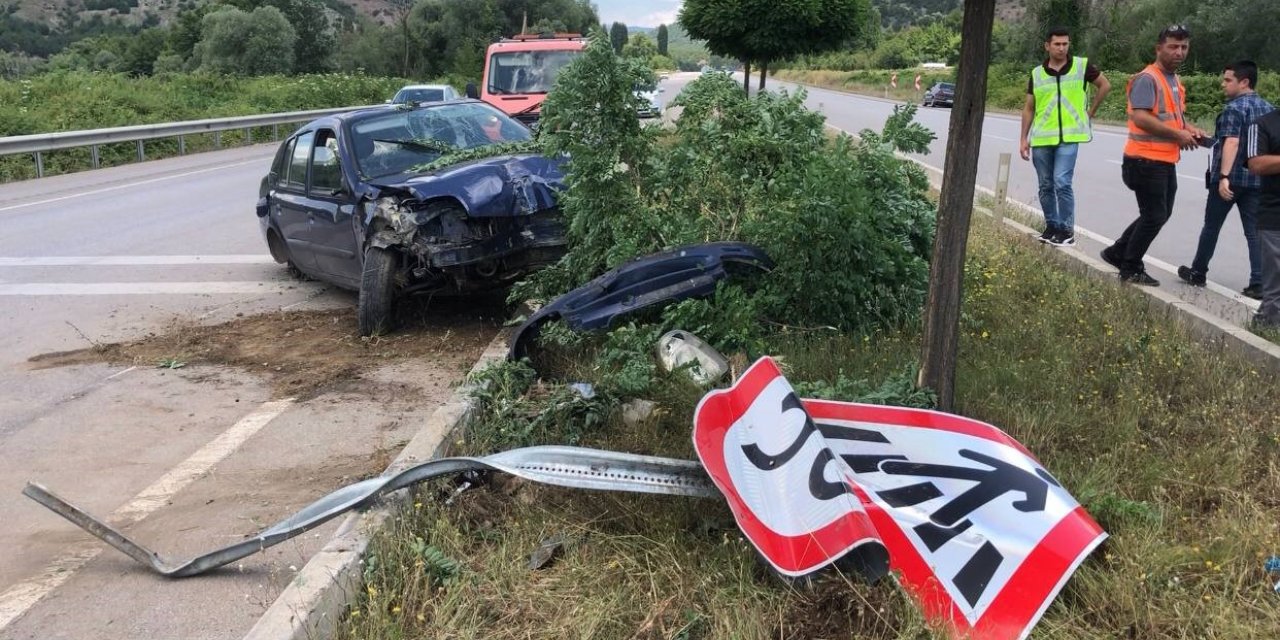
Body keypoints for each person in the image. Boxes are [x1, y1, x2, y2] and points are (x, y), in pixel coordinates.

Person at [1100, 25, 1209, 286]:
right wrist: (1177, 136)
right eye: (1173, 46)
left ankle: (1118, 252)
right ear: (1159, 48)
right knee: (1155, 215)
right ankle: (1130, 267)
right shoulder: (1147, 78)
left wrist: (1189, 130)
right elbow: (1141, 117)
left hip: (1163, 159)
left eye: (1183, 47)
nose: (1179, 52)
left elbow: (1173, 117)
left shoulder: (1173, 80)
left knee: (1160, 213)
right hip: (1144, 160)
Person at [1177, 61, 1273, 299]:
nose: (1223, 84)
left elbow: (1232, 142)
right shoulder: (1269, 109)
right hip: (1257, 179)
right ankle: (1259, 281)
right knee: (1254, 231)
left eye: (1228, 80)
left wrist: (1224, 177)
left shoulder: (1234, 108)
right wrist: (1206, 140)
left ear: (1244, 82)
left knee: (1211, 226)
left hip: (1230, 180)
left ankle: (1198, 271)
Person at [1019, 27, 1111, 247]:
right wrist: (1023, 138)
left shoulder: (1081, 66)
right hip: (1041, 137)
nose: (1062, 48)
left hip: (1069, 137)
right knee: (1045, 185)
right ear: (1047, 46)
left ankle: (1067, 230)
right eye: (1057, 44)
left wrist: (1090, 113)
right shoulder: (1037, 73)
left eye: (1065, 44)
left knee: (1062, 182)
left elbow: (1105, 85)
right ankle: (1052, 226)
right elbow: (1029, 108)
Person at [1245, 110, 1280, 327]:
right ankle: (1267, 330)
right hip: (1274, 215)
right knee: (1275, 284)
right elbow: (1256, 164)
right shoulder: (1262, 124)